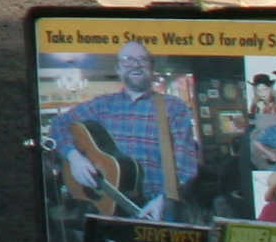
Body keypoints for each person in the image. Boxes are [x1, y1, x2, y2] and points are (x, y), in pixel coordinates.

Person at [48, 40, 201, 220]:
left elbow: (186, 166)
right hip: (108, 209)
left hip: (158, 208)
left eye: (142, 59)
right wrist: (74, 158)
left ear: (151, 68)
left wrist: (164, 199)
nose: (135, 65)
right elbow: (58, 124)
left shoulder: (173, 107)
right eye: (127, 60)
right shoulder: (102, 105)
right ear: (118, 69)